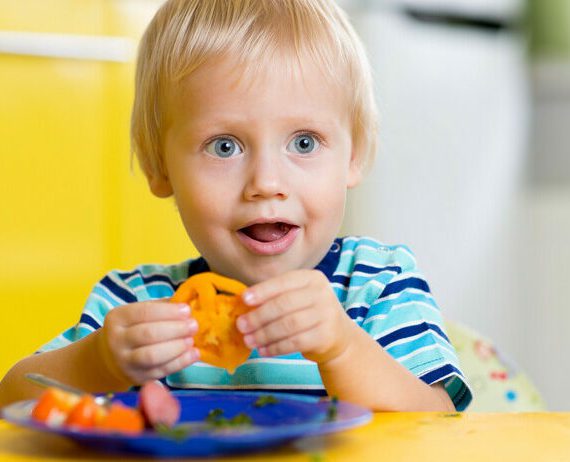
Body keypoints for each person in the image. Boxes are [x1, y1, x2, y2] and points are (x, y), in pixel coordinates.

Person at [0, 0, 471, 411]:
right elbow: (11, 401)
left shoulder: (378, 284)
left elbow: (438, 422)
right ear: (158, 168)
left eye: (304, 142)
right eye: (224, 146)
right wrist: (97, 360)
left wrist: (341, 348)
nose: (266, 183)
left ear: (353, 156)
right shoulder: (137, 304)